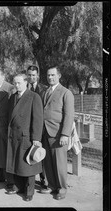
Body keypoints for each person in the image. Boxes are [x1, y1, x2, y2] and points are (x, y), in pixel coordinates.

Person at [5, 73, 44, 202]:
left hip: (26, 136)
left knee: (28, 164)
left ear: (26, 83)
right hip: (14, 136)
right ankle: (18, 186)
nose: (17, 85)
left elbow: (38, 120)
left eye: (19, 83)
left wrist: (36, 138)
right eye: (15, 83)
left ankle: (29, 192)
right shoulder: (12, 98)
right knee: (17, 163)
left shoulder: (34, 97)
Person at [40, 65, 74, 200]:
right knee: (48, 162)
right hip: (45, 132)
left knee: (59, 163)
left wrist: (65, 134)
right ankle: (52, 185)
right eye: (48, 75)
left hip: (58, 134)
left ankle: (62, 188)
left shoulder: (66, 93)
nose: (50, 77)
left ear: (59, 76)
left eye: (53, 75)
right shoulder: (44, 92)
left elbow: (69, 115)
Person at [26, 65, 48, 187]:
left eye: (34, 75)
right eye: (29, 75)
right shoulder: (23, 87)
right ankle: (28, 179)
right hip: (26, 127)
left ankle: (44, 179)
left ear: (38, 76)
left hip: (40, 127)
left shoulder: (44, 90)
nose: (31, 77)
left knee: (40, 153)